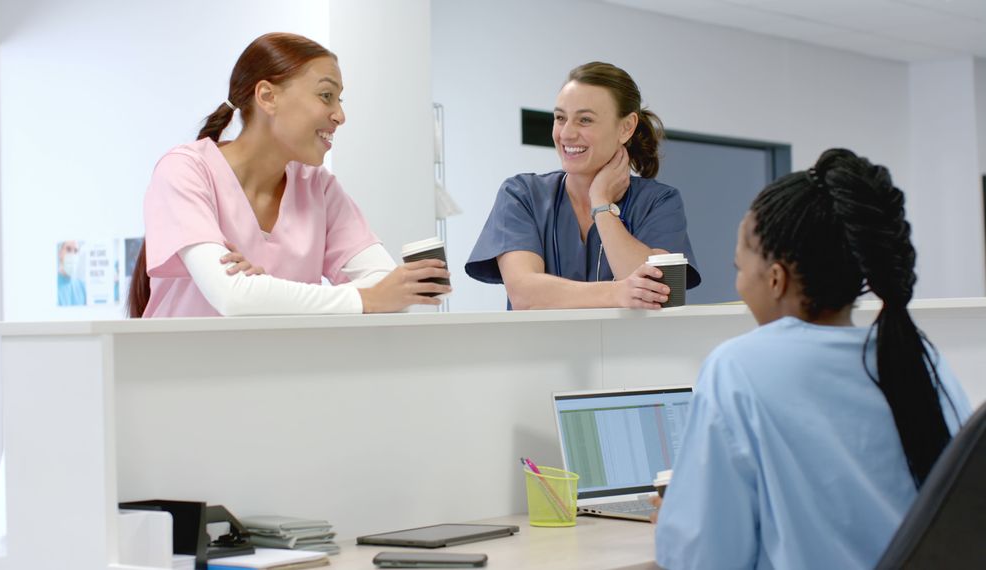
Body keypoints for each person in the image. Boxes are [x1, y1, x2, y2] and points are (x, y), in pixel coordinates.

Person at [652, 149, 973, 569]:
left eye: (738, 267)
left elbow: (705, 559)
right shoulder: (918, 357)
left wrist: (671, 527)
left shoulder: (739, 368)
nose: (738, 283)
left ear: (776, 279)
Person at [127, 33, 450, 318]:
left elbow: (391, 292)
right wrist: (364, 298)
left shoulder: (318, 187)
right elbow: (233, 298)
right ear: (268, 96)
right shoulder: (185, 170)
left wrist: (265, 291)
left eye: (339, 99)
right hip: (177, 379)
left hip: (278, 378)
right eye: (326, 96)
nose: (340, 115)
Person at [465, 62, 700, 310]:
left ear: (626, 127)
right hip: (540, 349)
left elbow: (656, 290)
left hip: (632, 349)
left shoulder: (659, 202)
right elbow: (525, 295)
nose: (566, 134)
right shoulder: (522, 195)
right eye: (560, 118)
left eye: (585, 120)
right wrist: (617, 293)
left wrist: (601, 204)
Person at [57, 240, 86, 306]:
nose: (72, 254)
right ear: (60, 253)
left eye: (75, 251)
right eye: (68, 249)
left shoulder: (82, 287)